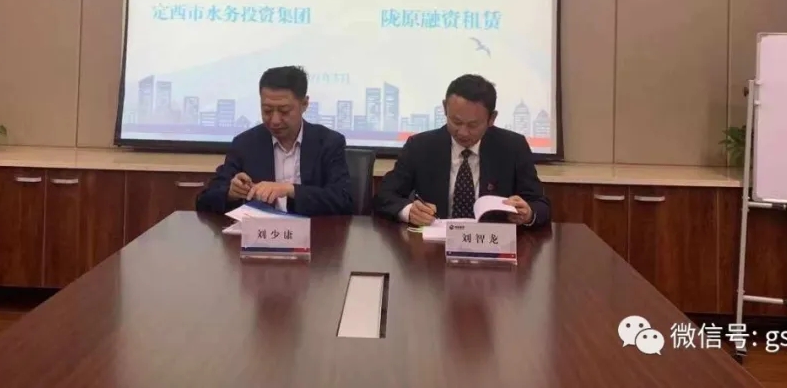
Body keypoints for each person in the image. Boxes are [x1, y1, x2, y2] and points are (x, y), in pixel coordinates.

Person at [373, 74, 551, 227]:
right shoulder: (420, 146)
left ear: (492, 118)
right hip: (434, 247)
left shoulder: (512, 147)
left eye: (473, 125)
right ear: (445, 108)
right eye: (456, 122)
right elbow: (385, 195)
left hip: (493, 246)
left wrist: (528, 213)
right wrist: (409, 211)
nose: (463, 132)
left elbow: (541, 205)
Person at [196, 66, 354, 216]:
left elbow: (343, 200)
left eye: (284, 111)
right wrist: (230, 193)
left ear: (304, 104)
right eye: (267, 111)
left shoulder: (328, 143)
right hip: (260, 233)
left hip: (314, 233)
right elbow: (204, 200)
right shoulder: (245, 144)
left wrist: (290, 190)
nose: (275, 120)